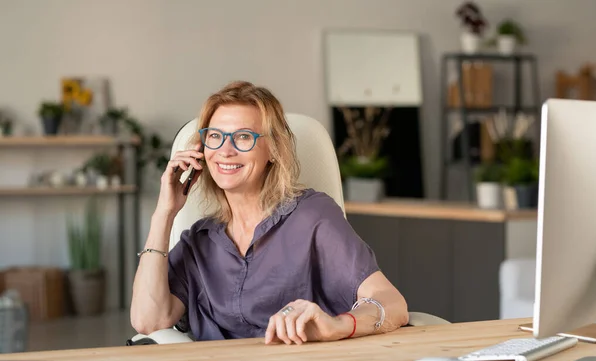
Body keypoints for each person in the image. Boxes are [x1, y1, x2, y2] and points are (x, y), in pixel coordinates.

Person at [130, 81, 409, 345]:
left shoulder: (313, 216)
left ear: (273, 150)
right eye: (215, 136)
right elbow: (147, 321)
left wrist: (337, 326)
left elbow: (392, 303)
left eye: (243, 137)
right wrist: (164, 213)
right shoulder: (198, 241)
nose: (225, 151)